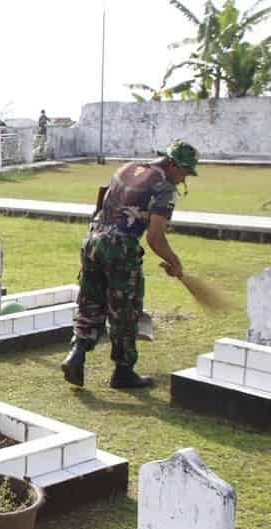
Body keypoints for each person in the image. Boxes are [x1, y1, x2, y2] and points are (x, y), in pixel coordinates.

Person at [61, 140, 197, 390]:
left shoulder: (127, 168)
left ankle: (76, 354)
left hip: (92, 241)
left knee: (90, 303)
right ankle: (123, 373)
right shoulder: (164, 187)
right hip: (121, 249)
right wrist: (175, 262)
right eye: (185, 172)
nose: (184, 179)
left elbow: (101, 200)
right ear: (173, 164)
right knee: (125, 311)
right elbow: (155, 237)